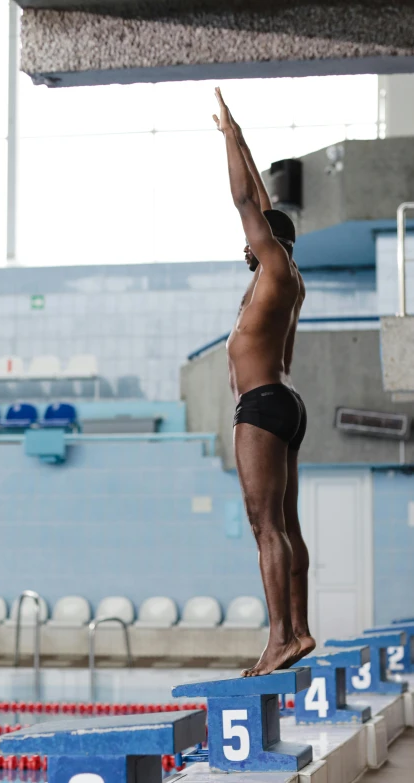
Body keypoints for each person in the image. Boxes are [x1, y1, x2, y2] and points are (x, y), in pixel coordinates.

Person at [212, 87, 315, 676]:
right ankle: (297, 630)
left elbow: (247, 198)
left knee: (264, 525)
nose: (245, 243)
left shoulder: (272, 266)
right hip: (285, 403)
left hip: (261, 406)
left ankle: (279, 638)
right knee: (287, 525)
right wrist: (243, 136)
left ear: (267, 242)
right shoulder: (288, 279)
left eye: (254, 237)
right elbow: (264, 201)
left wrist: (229, 140)